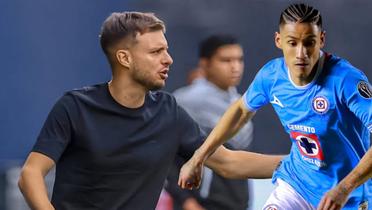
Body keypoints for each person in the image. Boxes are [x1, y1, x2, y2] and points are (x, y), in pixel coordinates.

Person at [17, 11, 283, 210]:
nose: (168, 59)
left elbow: (228, 162)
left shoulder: (169, 111)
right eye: (156, 51)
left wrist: (308, 163)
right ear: (124, 58)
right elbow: (30, 174)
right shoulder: (74, 107)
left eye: (166, 50)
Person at [178, 3, 372, 210]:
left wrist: (344, 188)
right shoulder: (272, 76)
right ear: (278, 41)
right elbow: (241, 110)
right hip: (297, 185)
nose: (301, 53)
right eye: (292, 43)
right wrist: (199, 156)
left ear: (321, 39)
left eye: (309, 43)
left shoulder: (346, 80)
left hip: (347, 195)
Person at [166, 34, 254, 210]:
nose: (235, 67)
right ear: (205, 64)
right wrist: (186, 201)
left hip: (236, 204)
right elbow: (166, 156)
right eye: (226, 60)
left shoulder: (241, 103)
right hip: (201, 203)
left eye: (239, 59)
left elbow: (239, 160)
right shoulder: (186, 101)